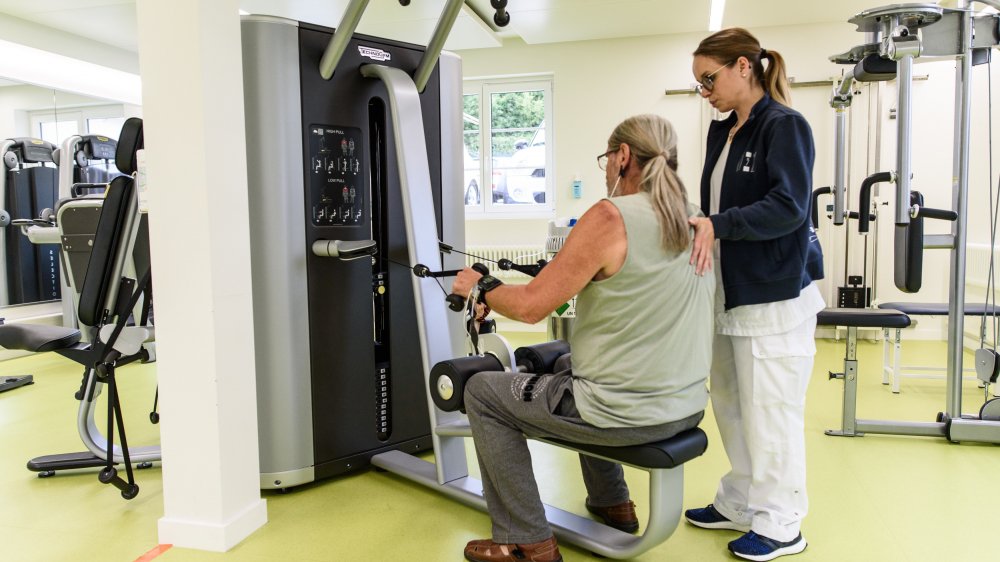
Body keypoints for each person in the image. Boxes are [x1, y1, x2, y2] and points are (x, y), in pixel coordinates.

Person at [451, 114, 714, 562]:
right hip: (684, 406)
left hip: (626, 411)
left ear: (623, 156)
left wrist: (482, 288)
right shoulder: (695, 219)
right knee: (565, 364)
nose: (607, 170)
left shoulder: (610, 216)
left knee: (480, 392)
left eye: (606, 161)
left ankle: (525, 540)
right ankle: (612, 502)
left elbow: (534, 307)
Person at [684, 28, 825, 562]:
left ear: (744, 66)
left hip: (774, 300)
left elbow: (789, 207)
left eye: (709, 79)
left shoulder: (783, 126)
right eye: (699, 84)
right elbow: (714, 207)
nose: (706, 92)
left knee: (771, 411)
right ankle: (741, 500)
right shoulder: (722, 133)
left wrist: (717, 224)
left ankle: (783, 523)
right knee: (732, 405)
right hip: (728, 292)